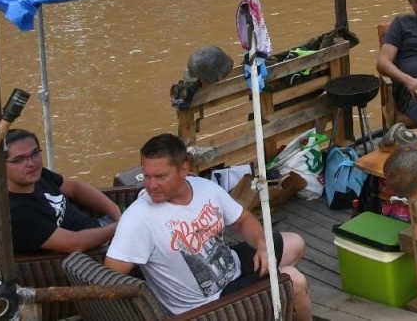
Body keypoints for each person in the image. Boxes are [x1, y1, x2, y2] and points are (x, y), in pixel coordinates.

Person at [107, 133, 311, 321]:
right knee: (295, 281)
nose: (151, 185)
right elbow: (111, 276)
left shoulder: (204, 187)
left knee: (295, 242)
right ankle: (270, 303)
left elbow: (242, 220)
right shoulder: (137, 218)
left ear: (183, 170)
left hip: (232, 268)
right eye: (147, 176)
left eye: (160, 177)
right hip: (208, 306)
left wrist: (261, 244)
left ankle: (268, 308)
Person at [4, 128, 121, 254]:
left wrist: (116, 213)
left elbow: (75, 188)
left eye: (35, 153)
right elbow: (76, 244)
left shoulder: (38, 175)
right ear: (0, 166)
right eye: (19, 160)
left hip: (104, 227)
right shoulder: (17, 213)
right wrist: (121, 227)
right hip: (94, 251)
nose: (31, 163)